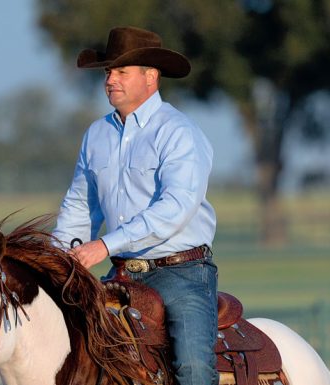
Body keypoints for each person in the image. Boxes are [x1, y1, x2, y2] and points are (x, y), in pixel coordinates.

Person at [53, 26, 218, 385]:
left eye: (121, 72)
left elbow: (176, 206)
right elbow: (80, 204)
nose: (110, 80)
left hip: (182, 274)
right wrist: (59, 258)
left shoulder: (179, 132)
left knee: (194, 370)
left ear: (151, 77)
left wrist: (105, 244)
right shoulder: (96, 135)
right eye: (108, 72)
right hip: (122, 273)